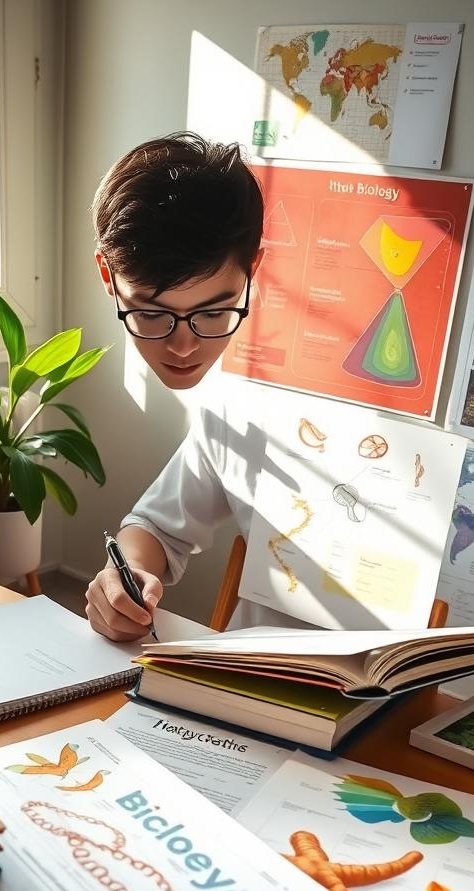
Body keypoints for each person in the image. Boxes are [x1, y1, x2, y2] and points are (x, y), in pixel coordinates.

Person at [86, 131, 302, 642]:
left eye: (213, 312)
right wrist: (125, 575)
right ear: (108, 276)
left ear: (255, 271)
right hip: (259, 685)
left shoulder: (286, 399)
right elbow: (157, 528)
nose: (183, 347)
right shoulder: (239, 406)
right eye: (151, 313)